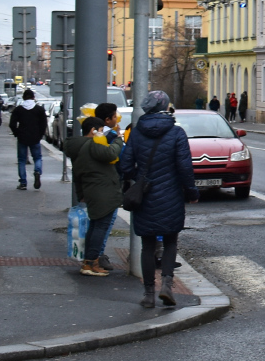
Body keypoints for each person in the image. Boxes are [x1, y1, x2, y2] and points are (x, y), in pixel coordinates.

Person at [120, 90, 197, 308]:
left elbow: (125, 166)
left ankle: (148, 294)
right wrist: (191, 192)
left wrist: (141, 178)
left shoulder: (135, 133)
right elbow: (185, 167)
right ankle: (166, 285)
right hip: (171, 193)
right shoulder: (177, 133)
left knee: (147, 245)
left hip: (145, 196)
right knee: (171, 240)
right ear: (165, 107)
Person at [64, 114, 123, 277]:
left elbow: (77, 173)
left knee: (95, 226)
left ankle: (88, 262)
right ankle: (91, 262)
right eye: (101, 130)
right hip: (103, 192)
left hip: (92, 191)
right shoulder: (93, 145)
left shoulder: (79, 147)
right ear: (93, 130)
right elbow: (111, 154)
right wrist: (118, 139)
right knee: (100, 227)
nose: (103, 134)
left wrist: (80, 193)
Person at [9, 89, 47, 190]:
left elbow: (12, 124)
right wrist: (40, 135)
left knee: (21, 160)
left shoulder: (18, 109)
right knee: (37, 157)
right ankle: (37, 171)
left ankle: (23, 183)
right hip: (35, 137)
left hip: (22, 137)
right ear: (33, 97)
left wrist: (17, 133)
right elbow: (44, 124)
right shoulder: (39, 109)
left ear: (23, 97)